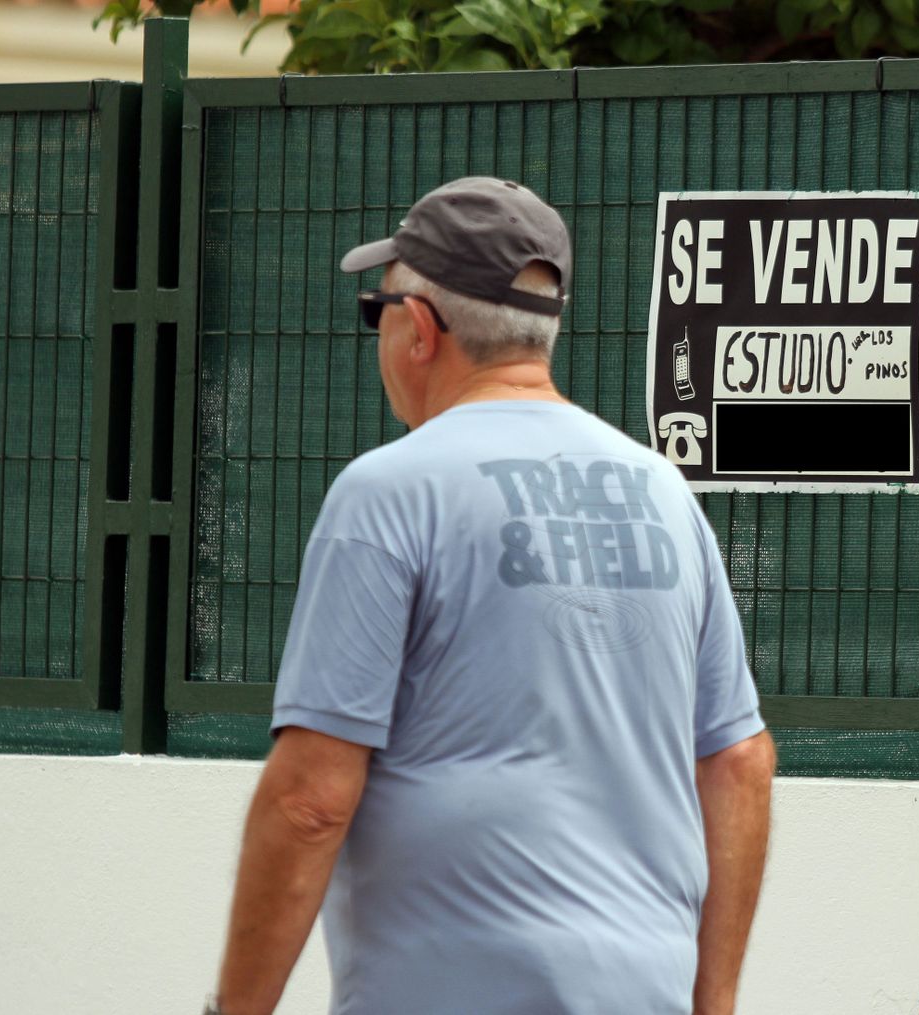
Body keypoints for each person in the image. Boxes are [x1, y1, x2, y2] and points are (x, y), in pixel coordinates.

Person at [204, 176, 775, 1015]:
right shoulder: (664, 491)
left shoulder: (390, 491)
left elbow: (310, 798)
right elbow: (738, 763)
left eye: (379, 310)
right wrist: (713, 1001)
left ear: (421, 329)